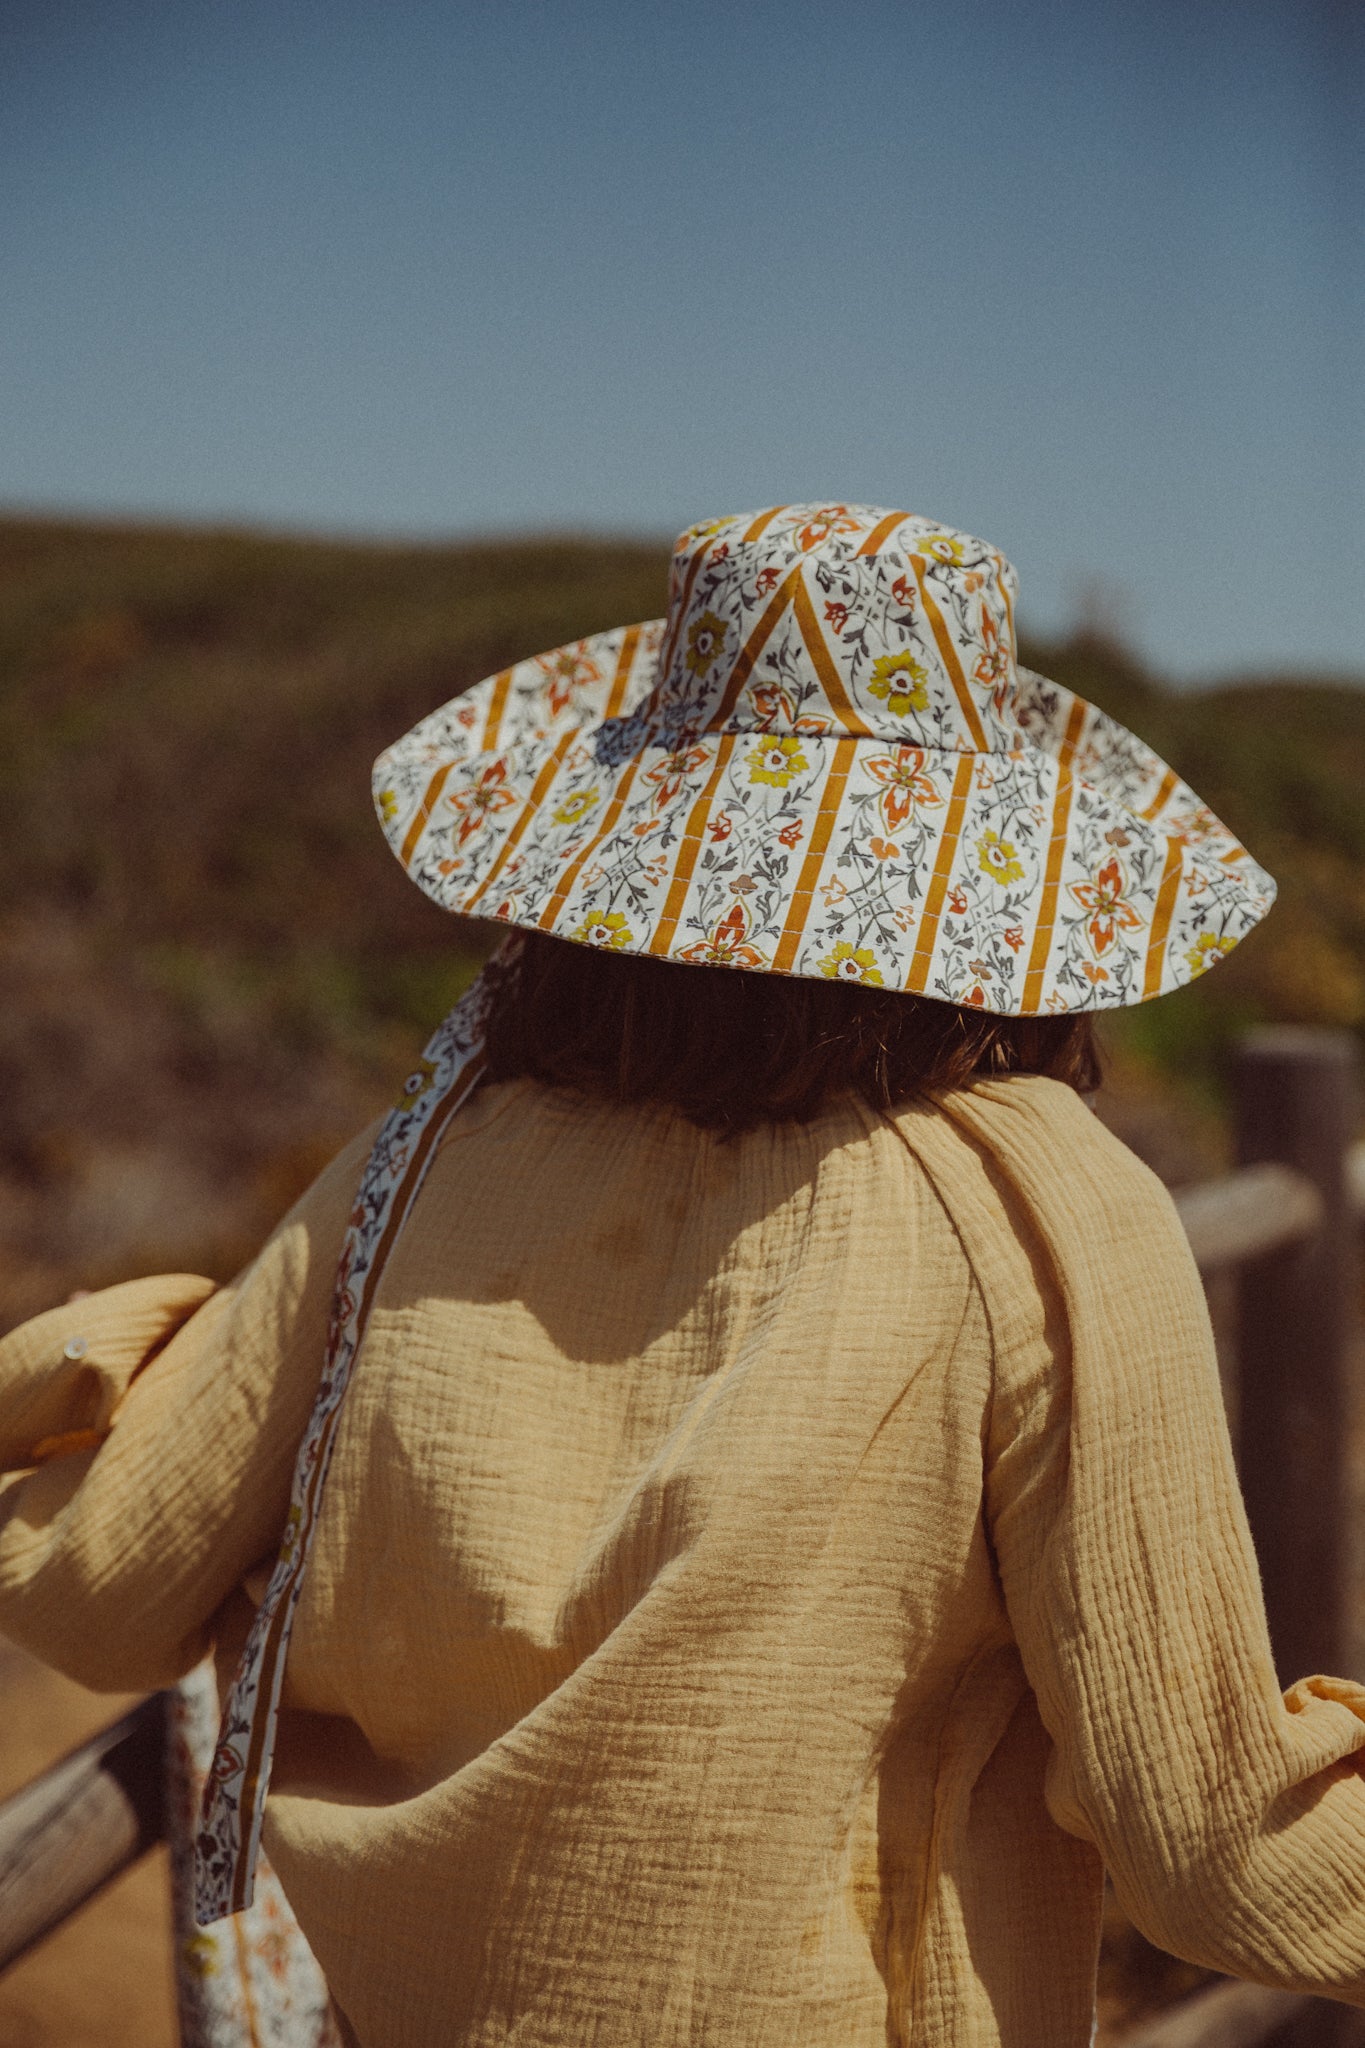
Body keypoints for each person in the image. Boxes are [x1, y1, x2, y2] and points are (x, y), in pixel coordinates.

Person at [1, 503, 1361, 2048]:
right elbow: (1210, 1851)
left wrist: (127, 1349)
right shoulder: (1042, 1208)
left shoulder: (424, 1156)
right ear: (997, 876)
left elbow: (104, 1592)